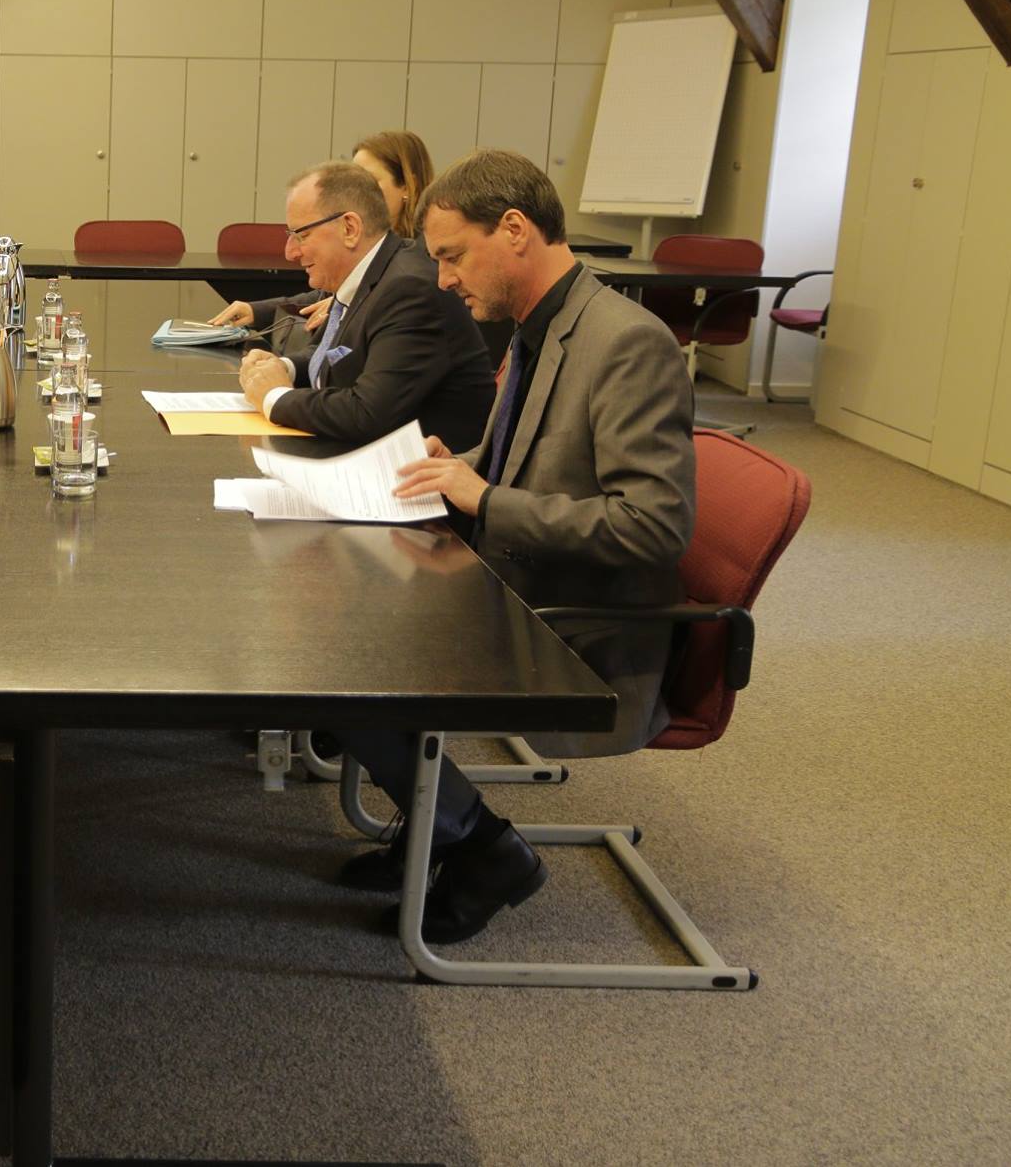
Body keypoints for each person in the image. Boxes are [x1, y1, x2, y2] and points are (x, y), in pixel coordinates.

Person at [333, 148, 697, 945]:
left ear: (514, 229)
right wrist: (456, 466)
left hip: (579, 627)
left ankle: (481, 846)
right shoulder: (543, 326)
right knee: (331, 610)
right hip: (516, 579)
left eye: (453, 256)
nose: (443, 280)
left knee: (339, 659)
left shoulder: (626, 343)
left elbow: (652, 526)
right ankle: (440, 824)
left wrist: (484, 498)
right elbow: (526, 458)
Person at [232, 161, 495, 446]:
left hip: (424, 467)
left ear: (350, 228)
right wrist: (281, 368)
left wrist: (275, 397)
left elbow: (367, 414)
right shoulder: (371, 275)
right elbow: (338, 355)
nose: (290, 253)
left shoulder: (408, 288)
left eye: (302, 235)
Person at [209, 130, 440, 344]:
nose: (357, 190)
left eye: (369, 181)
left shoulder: (426, 258)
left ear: (409, 186)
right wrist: (256, 311)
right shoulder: (374, 243)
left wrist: (354, 303)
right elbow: (323, 296)